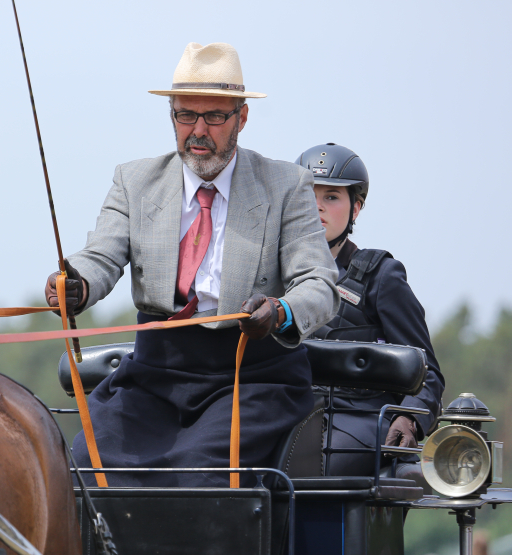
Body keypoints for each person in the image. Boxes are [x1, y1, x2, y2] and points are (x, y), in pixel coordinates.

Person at [45, 43, 339, 487]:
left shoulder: (286, 185)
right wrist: (76, 284)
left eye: (215, 117)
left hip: (252, 376)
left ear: (241, 119)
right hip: (155, 372)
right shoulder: (135, 180)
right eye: (186, 115)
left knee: (196, 476)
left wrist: (280, 311)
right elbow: (101, 255)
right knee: (92, 460)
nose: (198, 131)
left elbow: (319, 282)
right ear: (172, 116)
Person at [296, 142, 444, 475]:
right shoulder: (271, 275)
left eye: (331, 197)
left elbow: (428, 373)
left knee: (321, 464)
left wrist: (409, 419)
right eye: (308, 196)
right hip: (289, 412)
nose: (317, 207)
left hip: (359, 420)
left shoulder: (381, 277)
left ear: (356, 208)